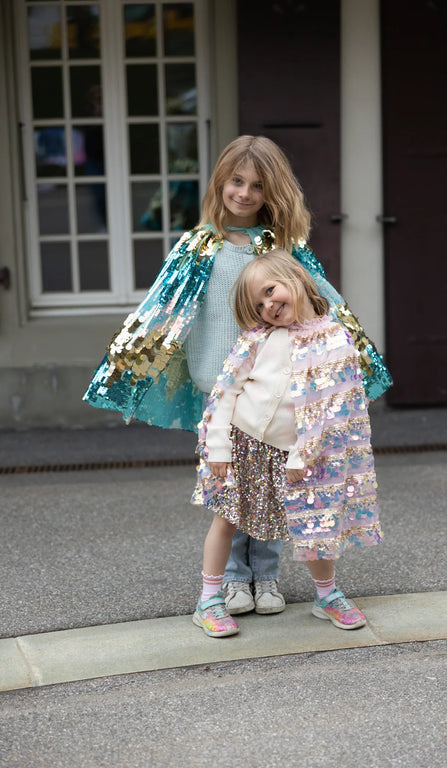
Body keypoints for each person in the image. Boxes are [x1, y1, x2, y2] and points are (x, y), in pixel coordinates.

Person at [83, 136, 391, 619]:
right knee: (232, 489)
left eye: (257, 186)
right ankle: (232, 581)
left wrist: (349, 353)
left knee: (275, 486)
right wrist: (129, 366)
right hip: (222, 387)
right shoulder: (198, 246)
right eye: (237, 181)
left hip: (278, 387)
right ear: (220, 183)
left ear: (273, 191)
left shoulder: (282, 248)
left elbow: (322, 299)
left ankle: (265, 576)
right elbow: (166, 308)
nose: (245, 193)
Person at [191, 250, 383, 637]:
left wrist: (301, 455)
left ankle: (327, 595)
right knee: (227, 519)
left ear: (295, 277)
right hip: (244, 446)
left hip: (301, 456)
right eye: (258, 305)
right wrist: (219, 447)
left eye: (269, 291)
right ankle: (209, 599)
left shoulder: (335, 340)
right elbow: (227, 393)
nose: (268, 306)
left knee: (314, 526)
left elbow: (332, 411)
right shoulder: (257, 340)